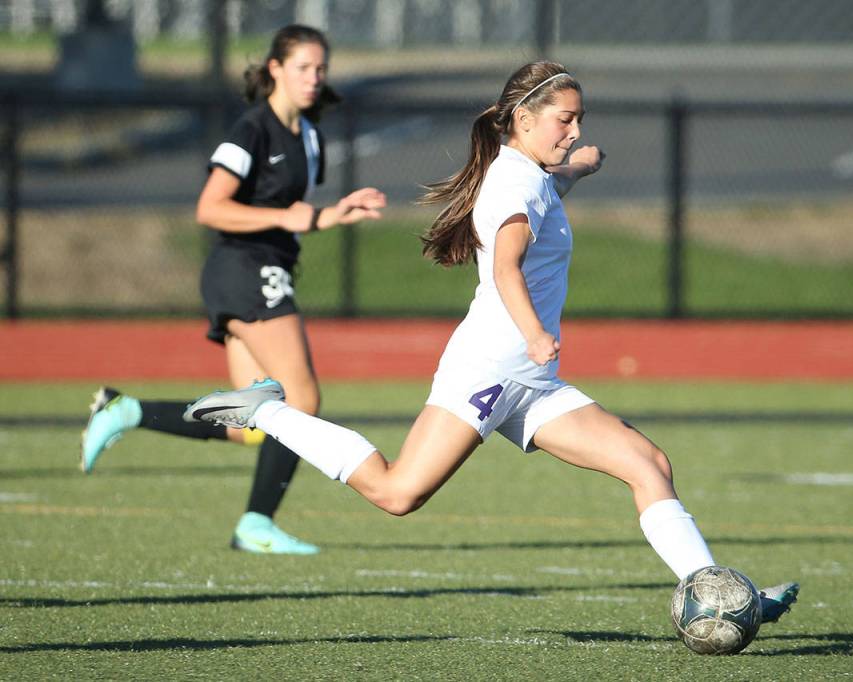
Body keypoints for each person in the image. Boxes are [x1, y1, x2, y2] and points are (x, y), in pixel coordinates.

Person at [182, 60, 798, 619]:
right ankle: (269, 410)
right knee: (397, 493)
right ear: (523, 119)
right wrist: (534, 333)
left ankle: (717, 598)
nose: (574, 131)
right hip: (491, 369)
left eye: (579, 120)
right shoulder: (513, 185)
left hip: (530, 382)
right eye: (565, 120)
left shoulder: (528, 173)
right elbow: (505, 266)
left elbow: (552, 185)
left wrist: (579, 164)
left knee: (649, 464)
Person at [79, 24, 387, 555]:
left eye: (321, 69)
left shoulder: (310, 136)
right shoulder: (252, 130)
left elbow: (296, 215)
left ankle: (127, 411)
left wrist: (331, 214)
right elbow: (210, 207)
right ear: (275, 69)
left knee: (253, 422)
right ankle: (256, 524)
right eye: (303, 68)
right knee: (301, 400)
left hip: (263, 268)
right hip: (244, 268)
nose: (315, 78)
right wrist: (291, 215)